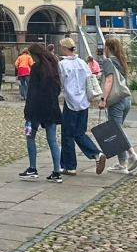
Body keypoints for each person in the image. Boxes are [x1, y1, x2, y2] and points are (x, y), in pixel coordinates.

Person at [57, 38, 106, 175]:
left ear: (65, 48)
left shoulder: (62, 64)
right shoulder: (82, 63)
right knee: (80, 133)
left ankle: (69, 165)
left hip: (71, 101)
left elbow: (60, 83)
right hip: (84, 101)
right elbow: (90, 80)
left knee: (67, 135)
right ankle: (96, 154)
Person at [18, 43, 64, 182]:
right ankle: (57, 171)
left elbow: (32, 91)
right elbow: (57, 89)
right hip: (51, 108)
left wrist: (27, 111)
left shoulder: (36, 68)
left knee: (29, 136)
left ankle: (33, 168)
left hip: (35, 110)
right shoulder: (53, 66)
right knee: (52, 140)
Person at [99, 36, 137, 174]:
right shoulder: (121, 61)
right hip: (126, 99)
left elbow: (109, 81)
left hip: (116, 101)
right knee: (118, 130)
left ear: (107, 48)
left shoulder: (108, 61)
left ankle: (132, 154)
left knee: (117, 131)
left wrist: (103, 98)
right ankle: (122, 164)